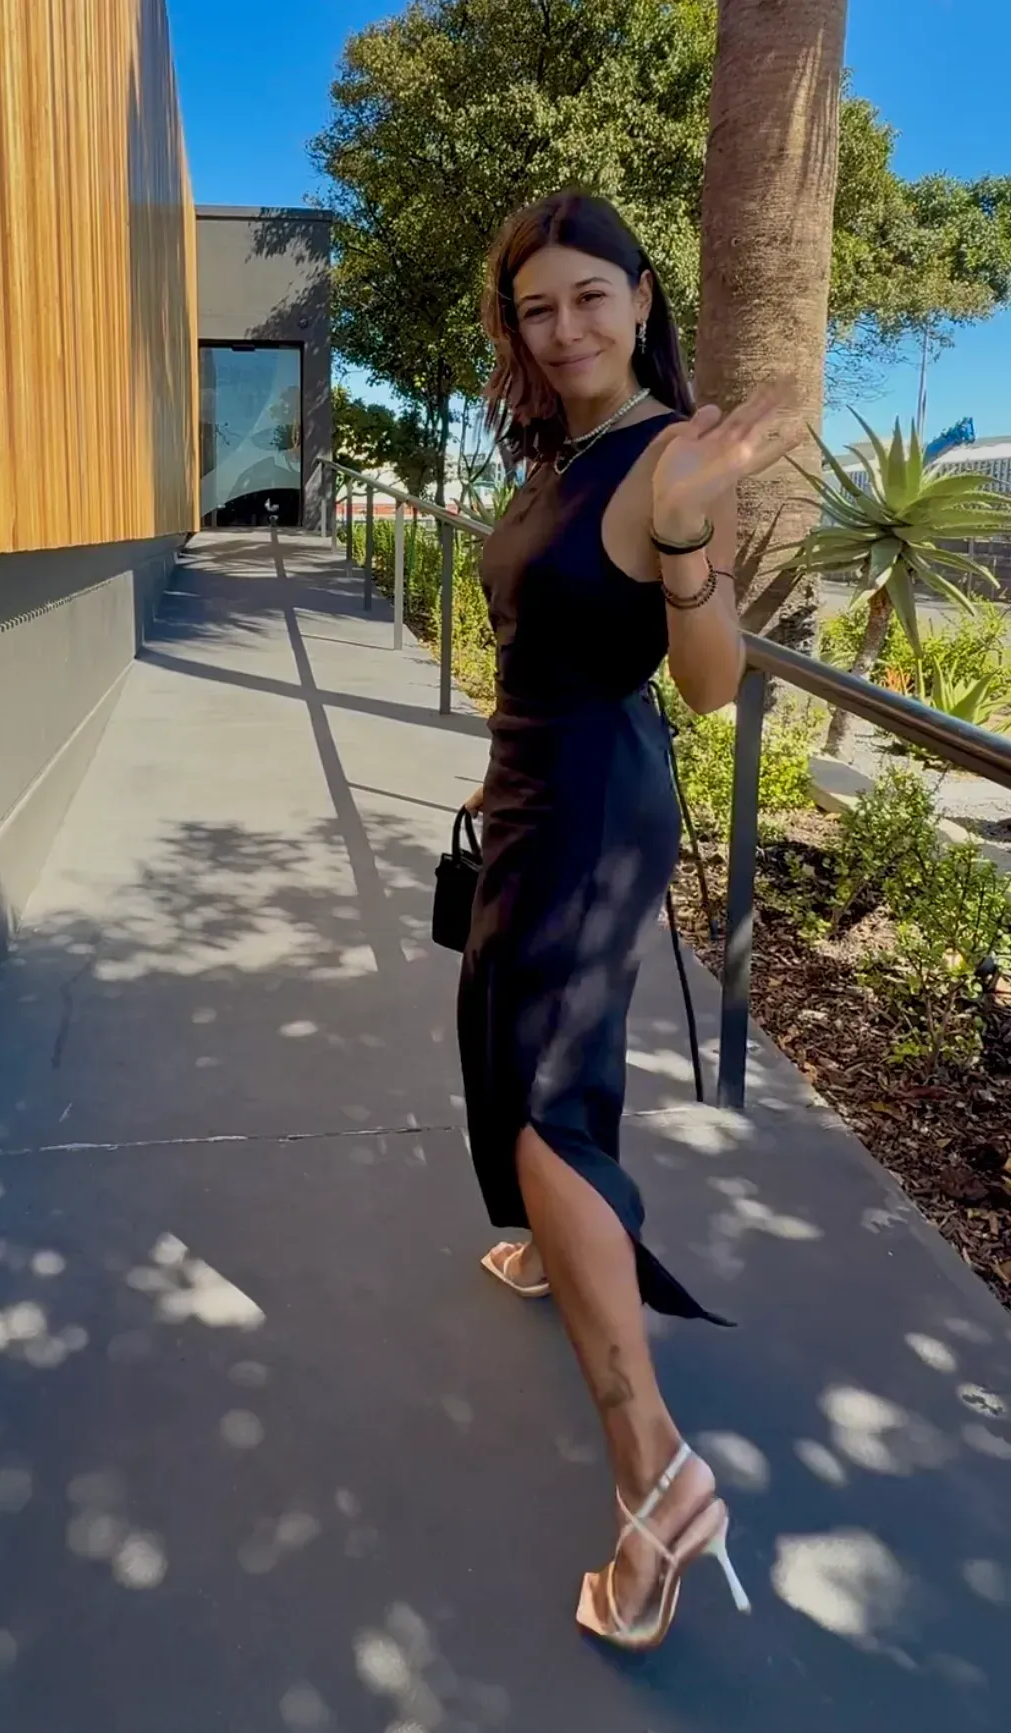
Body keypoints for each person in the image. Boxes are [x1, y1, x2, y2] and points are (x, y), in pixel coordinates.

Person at [457, 190, 797, 1649]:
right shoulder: (561, 447)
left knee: (542, 1098)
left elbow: (712, 684)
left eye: (591, 297)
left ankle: (652, 1477)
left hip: (596, 794)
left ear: (644, 298)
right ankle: (555, 1231)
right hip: (539, 783)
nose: (566, 327)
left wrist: (681, 541)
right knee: (519, 1041)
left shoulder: (668, 457)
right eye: (538, 308)